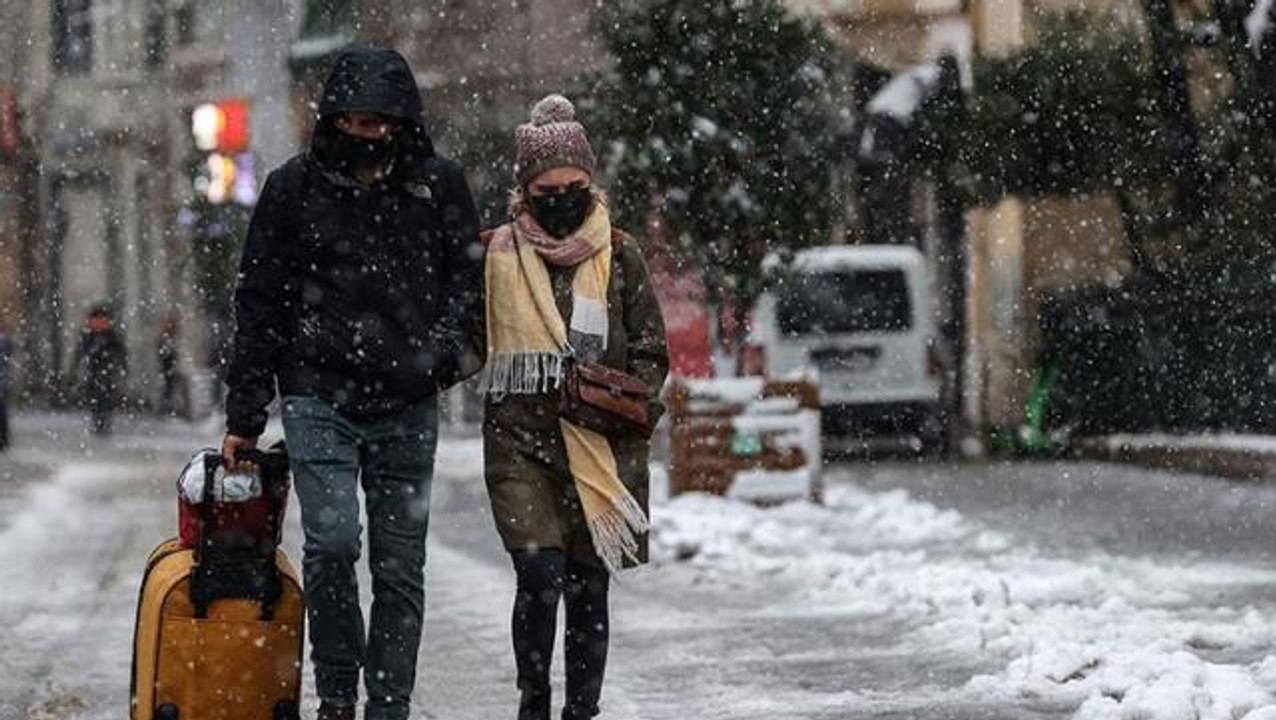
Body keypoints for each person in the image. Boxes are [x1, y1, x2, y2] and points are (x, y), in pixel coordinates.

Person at [221, 46, 483, 720]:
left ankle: (388, 703)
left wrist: (437, 358)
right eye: (356, 121)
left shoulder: (437, 186)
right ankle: (338, 693)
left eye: (380, 122)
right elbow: (259, 302)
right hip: (317, 395)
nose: (368, 135)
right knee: (332, 543)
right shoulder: (292, 189)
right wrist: (245, 415)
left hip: (407, 400)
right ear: (333, 118)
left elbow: (468, 283)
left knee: (399, 566)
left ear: (402, 121)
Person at [476, 94, 669, 720]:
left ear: (591, 184)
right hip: (520, 445)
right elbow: (467, 343)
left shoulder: (621, 254)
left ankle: (581, 712)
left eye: (574, 188)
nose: (562, 200)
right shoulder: (497, 256)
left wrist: (623, 399)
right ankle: (534, 701)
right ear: (524, 191)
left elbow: (651, 348)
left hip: (601, 445)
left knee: (589, 589)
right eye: (547, 191)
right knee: (538, 577)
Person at [75, 304, 127, 436]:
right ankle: (98, 423)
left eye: (102, 320)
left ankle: (104, 424)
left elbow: (120, 354)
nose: (99, 324)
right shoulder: (88, 337)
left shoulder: (112, 338)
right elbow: (79, 354)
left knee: (106, 401)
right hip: (94, 375)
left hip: (107, 375)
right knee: (96, 401)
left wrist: (121, 369)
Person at [156, 312, 190, 418]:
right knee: (168, 390)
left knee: (173, 390)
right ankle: (167, 410)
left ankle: (173, 410)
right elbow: (164, 354)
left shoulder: (172, 338)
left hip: (172, 368)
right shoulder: (166, 339)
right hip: (168, 369)